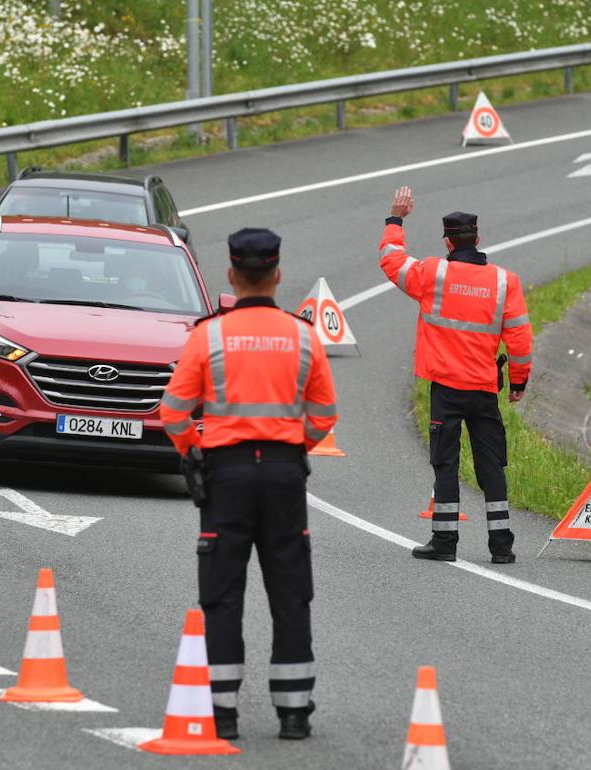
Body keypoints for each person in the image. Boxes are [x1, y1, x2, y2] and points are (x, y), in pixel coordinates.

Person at [159, 228, 338, 741]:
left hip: (226, 474)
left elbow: (171, 411)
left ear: (233, 277)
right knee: (289, 590)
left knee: (221, 591)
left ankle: (222, 713)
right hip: (284, 474)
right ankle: (295, 712)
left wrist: (194, 448)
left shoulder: (208, 335)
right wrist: (290, 447)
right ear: (277, 276)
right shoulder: (303, 335)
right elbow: (325, 414)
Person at [378, 186, 533, 564]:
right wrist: (518, 381)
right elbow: (520, 337)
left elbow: (391, 262)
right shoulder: (503, 281)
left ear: (448, 242)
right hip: (483, 388)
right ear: (478, 239)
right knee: (491, 465)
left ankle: (445, 542)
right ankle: (502, 547)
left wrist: (396, 219)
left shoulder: (433, 274)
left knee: (445, 463)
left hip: (445, 389)